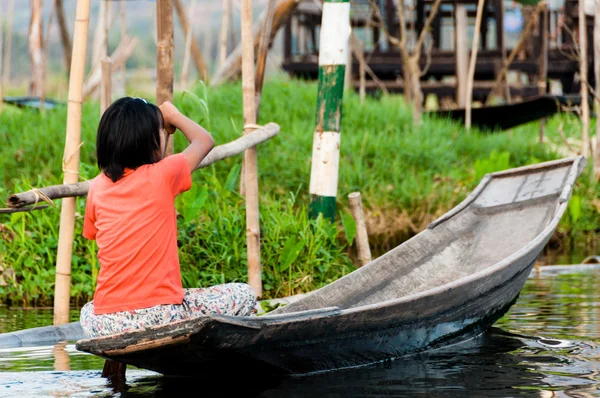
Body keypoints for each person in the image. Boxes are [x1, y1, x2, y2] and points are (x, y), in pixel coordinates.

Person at [79, 97, 257, 338]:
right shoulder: (163, 174)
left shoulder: (97, 188)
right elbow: (205, 140)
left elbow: (92, 233)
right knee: (243, 293)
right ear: (149, 142)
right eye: (160, 132)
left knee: (88, 309)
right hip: (160, 316)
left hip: (106, 323)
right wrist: (172, 116)